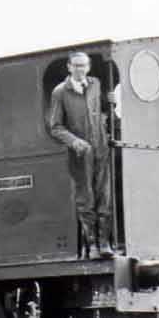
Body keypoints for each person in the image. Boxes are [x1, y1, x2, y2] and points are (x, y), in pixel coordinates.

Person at [46, 52, 114, 257]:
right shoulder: (60, 92)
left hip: (101, 147)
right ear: (69, 67)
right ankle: (91, 246)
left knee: (104, 196)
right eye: (76, 66)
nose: (80, 69)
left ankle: (105, 244)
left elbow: (102, 109)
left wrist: (112, 102)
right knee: (86, 198)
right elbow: (55, 127)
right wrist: (74, 141)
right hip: (80, 153)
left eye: (83, 65)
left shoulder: (95, 84)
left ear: (88, 67)